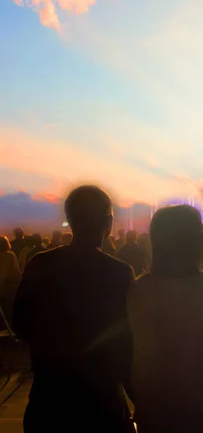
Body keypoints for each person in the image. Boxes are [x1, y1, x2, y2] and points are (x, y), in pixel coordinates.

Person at [13, 185, 135, 433]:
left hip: (49, 397)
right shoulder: (119, 273)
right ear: (108, 222)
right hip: (102, 401)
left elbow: (20, 323)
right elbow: (128, 338)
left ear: (70, 219)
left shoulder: (40, 264)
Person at [127, 205, 203, 433]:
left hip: (155, 411)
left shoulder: (140, 288)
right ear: (188, 240)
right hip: (202, 411)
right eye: (200, 229)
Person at [0, 236, 21, 322]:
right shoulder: (10, 256)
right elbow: (16, 272)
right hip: (8, 288)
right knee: (7, 313)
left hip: (4, 287)